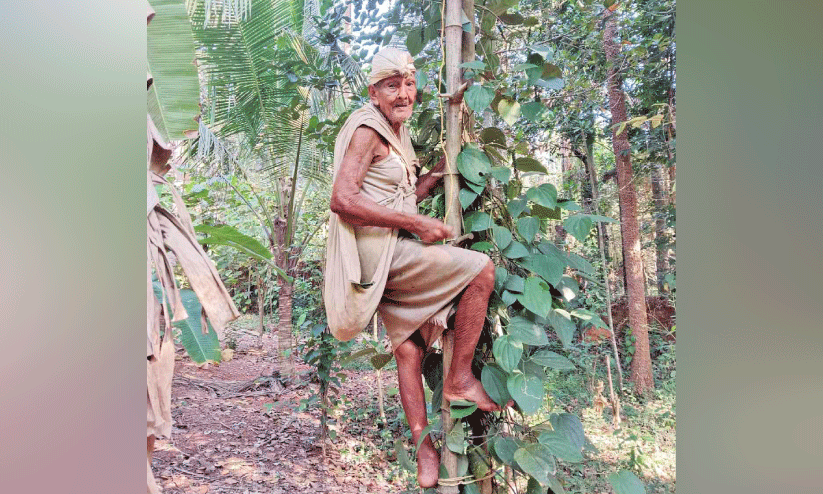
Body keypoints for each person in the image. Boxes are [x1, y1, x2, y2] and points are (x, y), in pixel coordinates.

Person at [323, 47, 503, 488]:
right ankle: (459, 378)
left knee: (408, 350)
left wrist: (443, 169)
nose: (403, 93)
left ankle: (425, 453)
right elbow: (342, 200)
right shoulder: (368, 130)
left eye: (408, 84)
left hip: (386, 253)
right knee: (481, 270)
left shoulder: (396, 131)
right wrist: (415, 224)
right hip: (379, 257)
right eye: (392, 85)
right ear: (374, 91)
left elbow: (402, 195)